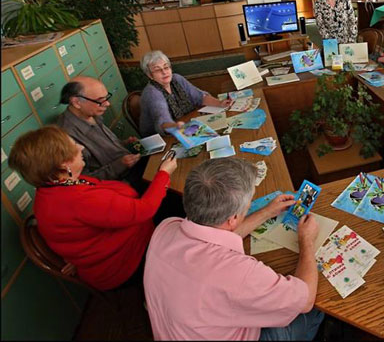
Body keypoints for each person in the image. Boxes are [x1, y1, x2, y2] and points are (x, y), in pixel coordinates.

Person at [144, 158, 324, 340]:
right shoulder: (240, 272)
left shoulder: (167, 226)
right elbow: (306, 299)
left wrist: (266, 212)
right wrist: (306, 240)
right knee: (317, 309)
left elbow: (218, 234)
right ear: (233, 218)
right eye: (249, 204)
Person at [8, 125, 177, 291]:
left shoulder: (53, 188)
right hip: (124, 264)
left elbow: (72, 232)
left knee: (170, 201)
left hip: (116, 247)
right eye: (74, 147)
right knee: (178, 209)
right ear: (63, 165)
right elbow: (143, 210)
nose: (81, 147)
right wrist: (164, 173)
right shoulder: (76, 199)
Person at [57, 76, 143, 183]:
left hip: (133, 166)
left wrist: (123, 144)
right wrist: (119, 165)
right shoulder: (67, 136)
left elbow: (102, 151)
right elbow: (82, 180)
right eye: (100, 101)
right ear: (76, 102)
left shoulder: (91, 114)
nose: (107, 104)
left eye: (106, 98)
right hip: (121, 183)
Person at [139, 50, 231, 136]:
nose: (164, 72)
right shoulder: (151, 93)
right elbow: (162, 120)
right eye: (158, 70)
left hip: (185, 127)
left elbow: (199, 97)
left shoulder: (177, 79)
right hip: (163, 138)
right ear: (150, 75)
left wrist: (219, 103)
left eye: (166, 67)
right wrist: (175, 126)